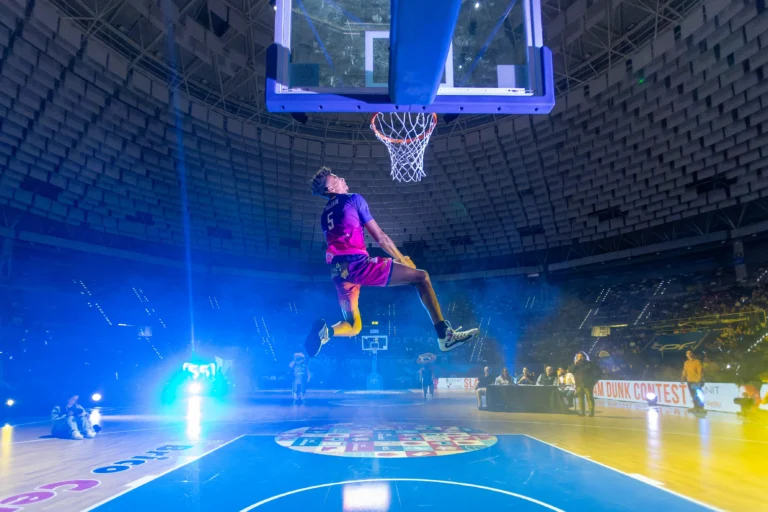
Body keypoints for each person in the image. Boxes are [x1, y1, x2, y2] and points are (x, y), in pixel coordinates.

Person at [305, 167, 479, 357]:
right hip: (357, 264)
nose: (343, 177)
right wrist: (403, 259)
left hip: (338, 273)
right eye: (336, 178)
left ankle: (327, 333)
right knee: (422, 277)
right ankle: (445, 336)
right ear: (330, 188)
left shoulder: (324, 216)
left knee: (355, 326)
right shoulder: (353, 199)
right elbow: (381, 238)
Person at [568, 352, 602, 417]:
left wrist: (595, 380)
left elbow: (599, 371)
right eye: (578, 356)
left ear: (584, 357)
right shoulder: (575, 364)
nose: (579, 358)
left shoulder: (589, 363)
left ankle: (591, 412)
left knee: (589, 398)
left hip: (588, 384)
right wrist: (575, 363)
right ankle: (582, 412)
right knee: (581, 398)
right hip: (578, 384)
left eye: (581, 356)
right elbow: (570, 370)